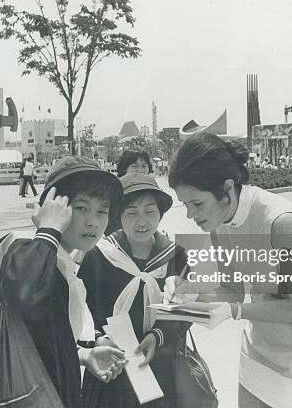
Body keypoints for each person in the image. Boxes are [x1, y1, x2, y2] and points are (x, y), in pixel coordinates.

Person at [168, 133, 292, 408]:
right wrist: (190, 294)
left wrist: (235, 312)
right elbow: (231, 291)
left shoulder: (282, 223)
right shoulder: (220, 221)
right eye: (186, 205)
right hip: (263, 348)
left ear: (227, 188)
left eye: (197, 203)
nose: (191, 215)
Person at [0, 156, 126, 408]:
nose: (93, 221)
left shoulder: (66, 260)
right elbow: (24, 297)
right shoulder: (26, 248)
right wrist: (49, 228)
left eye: (102, 211)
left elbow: (42, 340)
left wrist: (84, 356)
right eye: (81, 208)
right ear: (56, 207)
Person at [79, 174, 190, 408]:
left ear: (160, 213)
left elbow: (184, 309)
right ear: (118, 217)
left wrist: (157, 335)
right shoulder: (99, 254)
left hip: (159, 362)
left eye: (150, 211)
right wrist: (98, 337)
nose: (142, 222)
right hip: (110, 364)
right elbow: (83, 307)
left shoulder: (175, 256)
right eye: (131, 213)